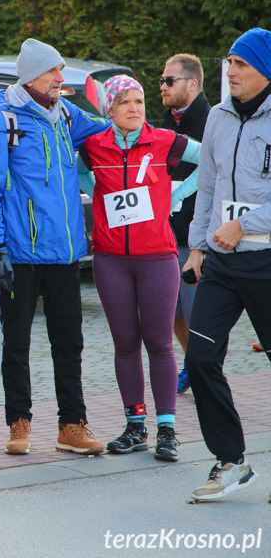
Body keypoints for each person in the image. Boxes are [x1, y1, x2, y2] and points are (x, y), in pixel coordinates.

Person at [0, 38, 110, 456]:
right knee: (16, 342)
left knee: (69, 343)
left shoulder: (67, 115)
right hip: (19, 255)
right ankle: (19, 423)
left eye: (61, 70)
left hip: (65, 254)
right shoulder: (6, 121)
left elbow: (110, 128)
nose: (60, 78)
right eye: (54, 71)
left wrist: (128, 110)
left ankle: (72, 424)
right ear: (32, 75)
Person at [78, 75, 201, 463]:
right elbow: (84, 179)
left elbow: (210, 159)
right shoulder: (94, 146)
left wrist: (176, 193)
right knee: (125, 344)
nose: (134, 108)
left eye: (140, 102)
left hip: (157, 257)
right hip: (111, 258)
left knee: (160, 343)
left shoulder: (165, 140)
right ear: (110, 110)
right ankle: (136, 426)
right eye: (126, 102)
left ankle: (167, 430)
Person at [183, 28, 271, 501]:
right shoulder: (216, 117)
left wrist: (248, 224)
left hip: (267, 260)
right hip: (221, 260)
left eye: (242, 64)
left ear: (266, 71)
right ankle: (231, 461)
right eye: (230, 63)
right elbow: (209, 187)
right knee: (200, 358)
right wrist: (198, 246)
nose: (231, 71)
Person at [159, 54, 212, 395]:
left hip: (196, 236)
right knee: (173, 313)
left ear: (192, 84)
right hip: (166, 233)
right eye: (162, 81)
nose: (162, 87)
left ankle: (207, 374)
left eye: (169, 81)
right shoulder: (166, 123)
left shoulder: (212, 120)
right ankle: (194, 367)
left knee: (198, 315)